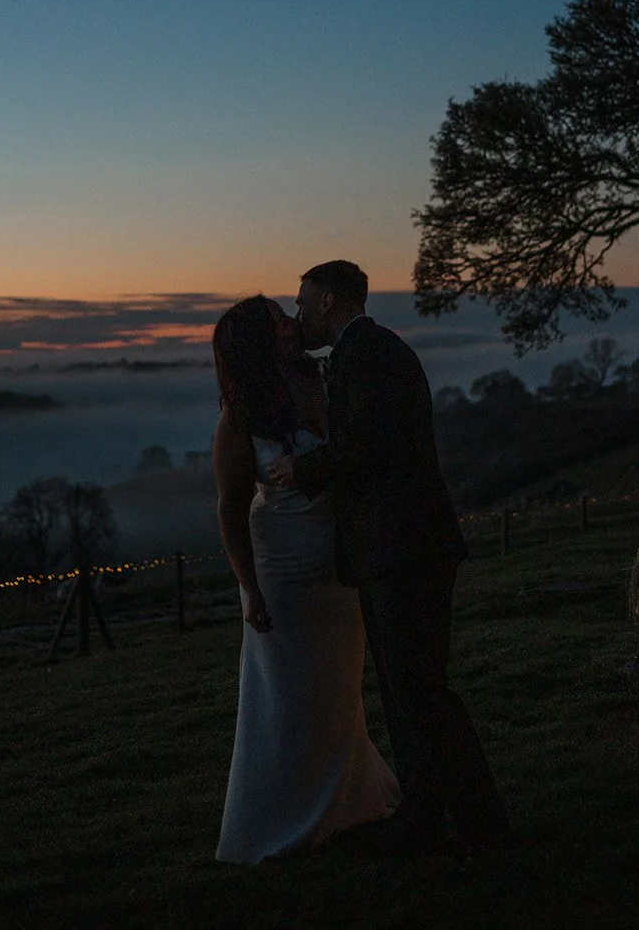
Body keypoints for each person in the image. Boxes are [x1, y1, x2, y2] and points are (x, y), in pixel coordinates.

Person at [269, 260, 511, 857]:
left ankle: (481, 825)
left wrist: (301, 468)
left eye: (302, 302)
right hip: (395, 549)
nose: (297, 312)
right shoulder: (367, 352)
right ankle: (426, 816)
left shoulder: (371, 355)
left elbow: (367, 446)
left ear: (328, 301)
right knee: (408, 694)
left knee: (422, 691)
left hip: (404, 549)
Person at [211, 294, 399, 864]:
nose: (291, 325)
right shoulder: (241, 417)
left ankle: (346, 805)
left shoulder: (323, 381)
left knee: (338, 692)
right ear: (256, 340)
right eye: (276, 321)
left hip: (339, 568)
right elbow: (229, 509)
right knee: (288, 701)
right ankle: (281, 821)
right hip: (284, 574)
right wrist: (249, 588)